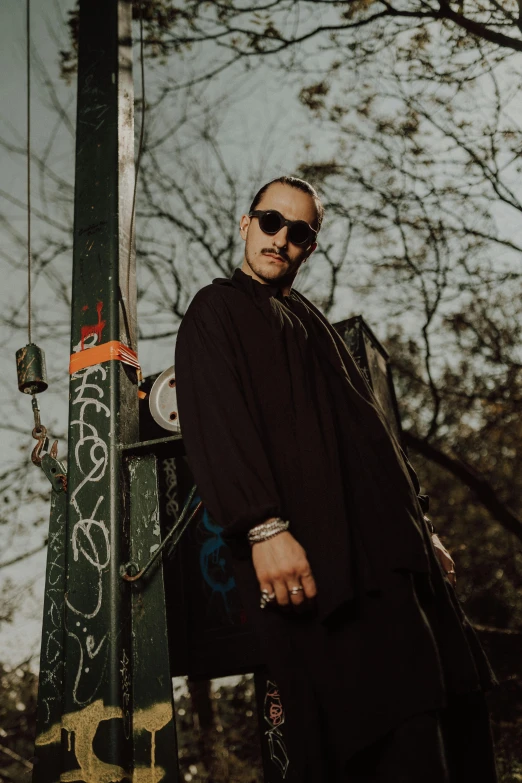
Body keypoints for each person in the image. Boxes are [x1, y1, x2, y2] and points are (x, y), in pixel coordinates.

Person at [174, 176, 498, 782]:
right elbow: (216, 423)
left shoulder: (311, 321)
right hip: (321, 569)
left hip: (395, 568)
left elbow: (370, 438)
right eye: (271, 222)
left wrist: (421, 531)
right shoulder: (215, 309)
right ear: (247, 223)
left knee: (445, 722)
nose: (281, 239)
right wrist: (262, 526)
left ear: (310, 246)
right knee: (368, 735)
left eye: (299, 232)